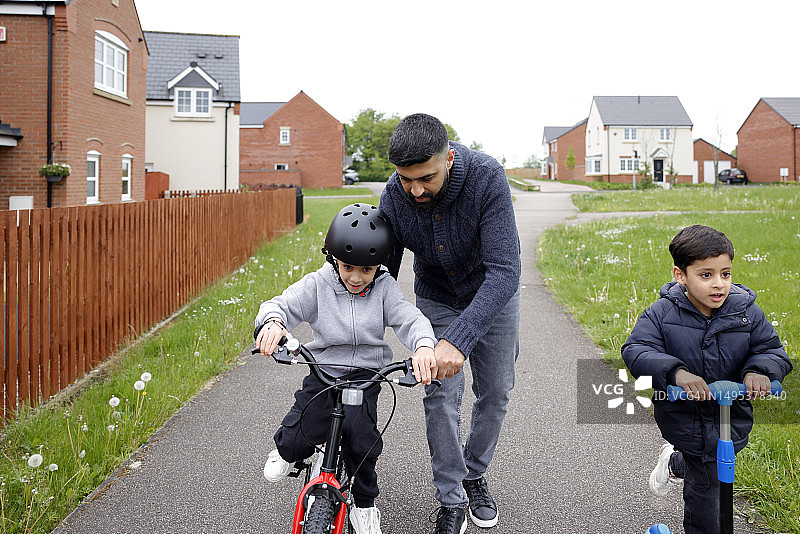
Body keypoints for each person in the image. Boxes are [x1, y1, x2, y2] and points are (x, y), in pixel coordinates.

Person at [254, 203, 437, 534]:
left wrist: (424, 346)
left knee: (362, 442)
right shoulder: (318, 284)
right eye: (348, 266)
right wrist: (272, 323)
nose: (355, 277)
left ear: (379, 266)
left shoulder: (384, 289)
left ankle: (364, 505)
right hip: (324, 370)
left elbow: (410, 319)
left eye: (366, 269)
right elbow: (282, 304)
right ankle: (284, 450)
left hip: (366, 377)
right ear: (332, 258)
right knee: (299, 432)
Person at [379, 113, 521, 534]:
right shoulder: (394, 195)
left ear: (449, 158)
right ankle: (451, 498)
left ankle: (474, 473)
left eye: (426, 178)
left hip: (493, 295)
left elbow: (505, 270)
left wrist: (457, 340)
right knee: (440, 395)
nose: (415, 190)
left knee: (495, 391)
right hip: (437, 297)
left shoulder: (487, 177)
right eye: (406, 179)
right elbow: (381, 272)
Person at [621, 224, 792, 534]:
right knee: (709, 496)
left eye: (725, 274)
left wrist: (759, 372)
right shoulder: (662, 314)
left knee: (710, 470)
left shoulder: (746, 312)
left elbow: (770, 350)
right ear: (680, 275)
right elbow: (637, 350)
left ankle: (675, 464)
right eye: (706, 275)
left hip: (732, 417)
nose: (719, 284)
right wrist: (676, 373)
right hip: (686, 419)